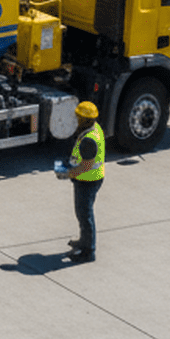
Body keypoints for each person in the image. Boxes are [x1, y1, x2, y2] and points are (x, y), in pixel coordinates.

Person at [56, 101, 105, 263]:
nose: (75, 119)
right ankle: (84, 242)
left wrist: (67, 173)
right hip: (90, 179)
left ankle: (88, 251)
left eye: (78, 117)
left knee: (85, 215)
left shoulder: (89, 140)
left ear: (84, 120)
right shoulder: (94, 128)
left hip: (88, 181)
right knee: (83, 213)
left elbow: (86, 166)